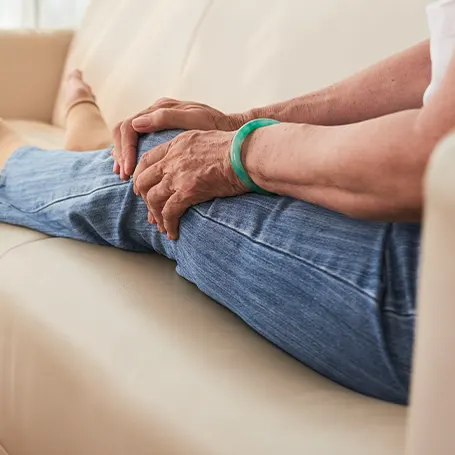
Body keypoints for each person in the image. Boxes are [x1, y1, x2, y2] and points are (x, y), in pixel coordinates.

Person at [1, 0, 454, 405]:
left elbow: (430, 159)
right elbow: (439, 63)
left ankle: (11, 158)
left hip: (433, 300)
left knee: (158, 164)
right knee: (169, 157)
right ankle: (90, 147)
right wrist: (238, 123)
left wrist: (238, 151)